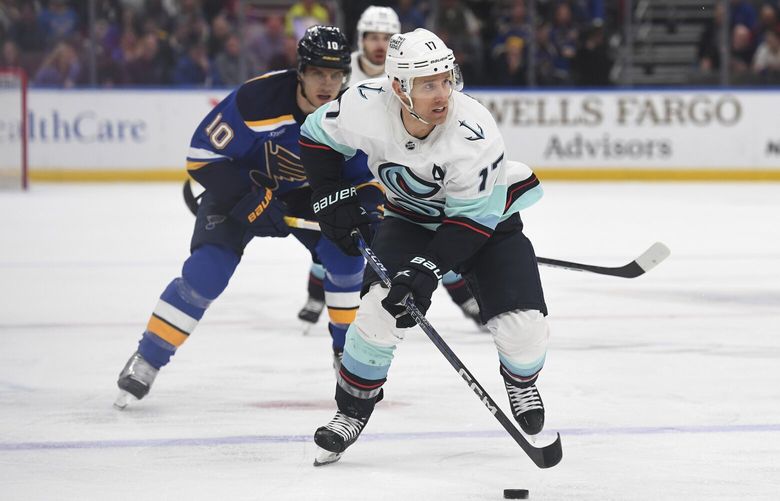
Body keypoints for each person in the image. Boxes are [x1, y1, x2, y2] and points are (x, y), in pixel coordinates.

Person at [299, 28, 550, 465]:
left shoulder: (473, 132)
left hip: (487, 225)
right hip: (410, 219)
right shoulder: (364, 104)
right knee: (378, 312)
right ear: (398, 87)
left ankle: (520, 379)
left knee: (523, 332)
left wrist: (425, 271)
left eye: (446, 80)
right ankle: (351, 411)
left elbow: (470, 221)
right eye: (428, 84)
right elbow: (315, 135)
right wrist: (329, 194)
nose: (442, 94)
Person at [114, 26, 382, 409]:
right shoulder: (258, 100)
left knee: (347, 257)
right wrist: (248, 199)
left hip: (309, 195)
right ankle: (148, 358)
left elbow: (368, 178)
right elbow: (202, 157)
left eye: (336, 74)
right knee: (206, 273)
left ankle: (348, 360)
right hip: (241, 187)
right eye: (318, 73)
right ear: (300, 72)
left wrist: (365, 211)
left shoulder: (352, 115)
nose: (328, 83)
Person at [297, 5, 485, 331]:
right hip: (359, 170)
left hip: (403, 170)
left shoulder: (415, 67)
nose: (379, 44)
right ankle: (317, 294)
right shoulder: (344, 72)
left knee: (435, 231)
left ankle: (463, 295)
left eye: (386, 37)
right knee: (338, 234)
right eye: (372, 37)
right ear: (361, 38)